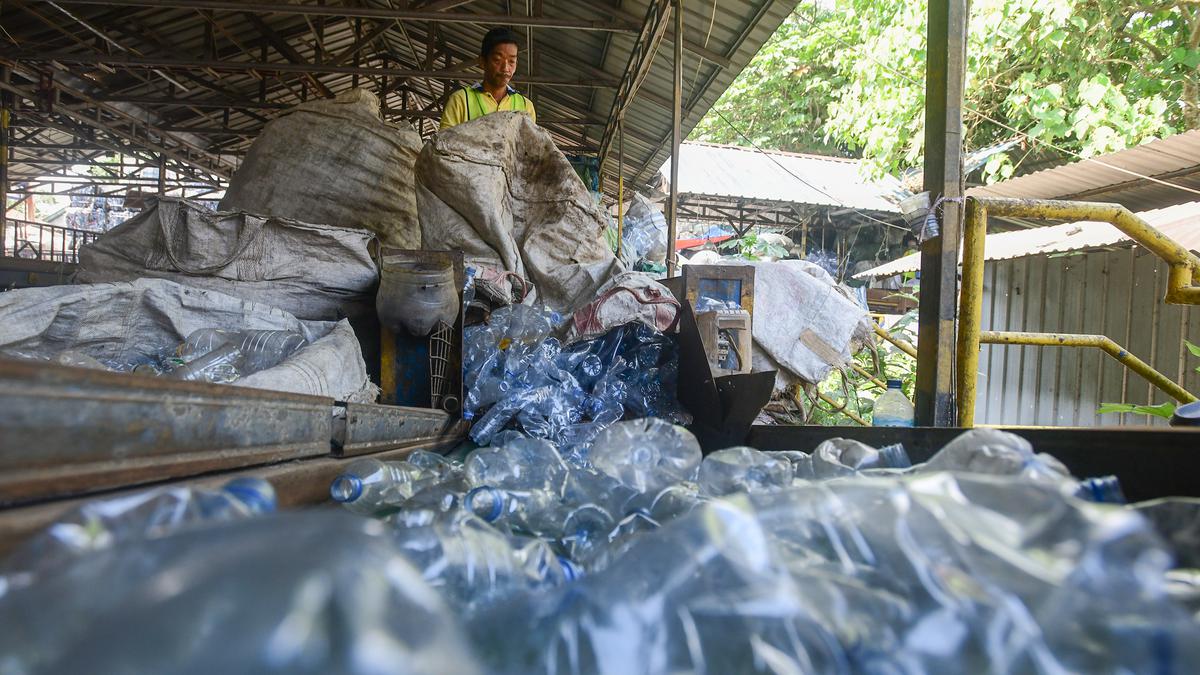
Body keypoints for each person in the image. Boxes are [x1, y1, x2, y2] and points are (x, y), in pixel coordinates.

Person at [440, 27, 538, 130]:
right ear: (482, 62)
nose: (505, 68)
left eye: (511, 61)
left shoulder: (526, 106)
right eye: (497, 60)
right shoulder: (461, 100)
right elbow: (444, 142)